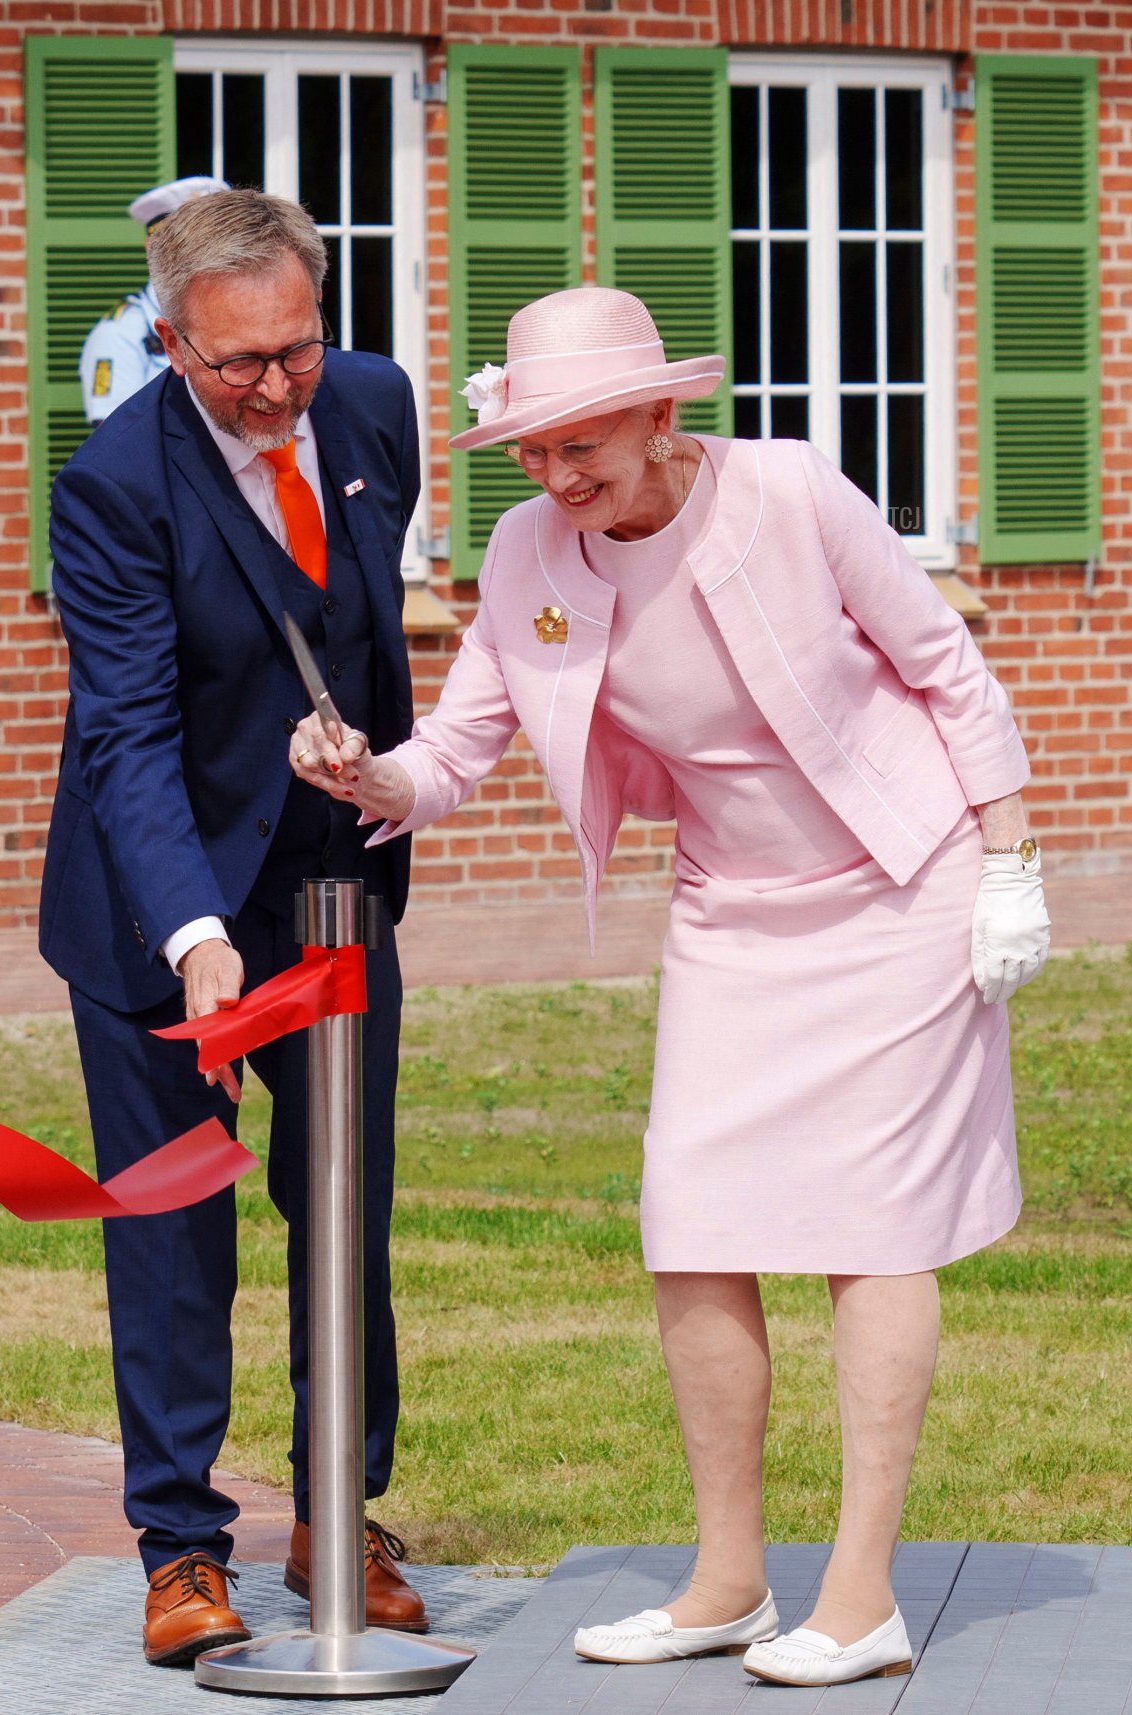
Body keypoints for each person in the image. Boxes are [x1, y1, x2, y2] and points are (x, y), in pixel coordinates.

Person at [288, 287, 1051, 1690]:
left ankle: (865, 1593)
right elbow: (454, 750)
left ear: (659, 413)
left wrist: (1010, 858)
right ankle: (726, 1578)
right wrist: (367, 772)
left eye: (586, 444)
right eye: (534, 450)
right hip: (734, 910)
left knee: (871, 1231)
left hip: (901, 880)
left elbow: (945, 663)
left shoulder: (787, 492)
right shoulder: (531, 553)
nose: (561, 476)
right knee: (691, 1218)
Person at [41, 189, 428, 1666]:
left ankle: (341, 1507)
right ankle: (182, 1543)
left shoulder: (374, 405)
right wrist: (194, 937)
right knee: (171, 1229)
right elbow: (125, 735)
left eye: (296, 353)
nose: (275, 390)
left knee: (345, 1204)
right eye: (235, 367)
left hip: (331, 892)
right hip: (162, 908)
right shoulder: (114, 486)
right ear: (165, 341)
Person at [79, 175, 229, 425]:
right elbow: (120, 445)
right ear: (154, 249)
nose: (209, 256)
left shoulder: (229, 318)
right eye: (193, 245)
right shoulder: (119, 334)